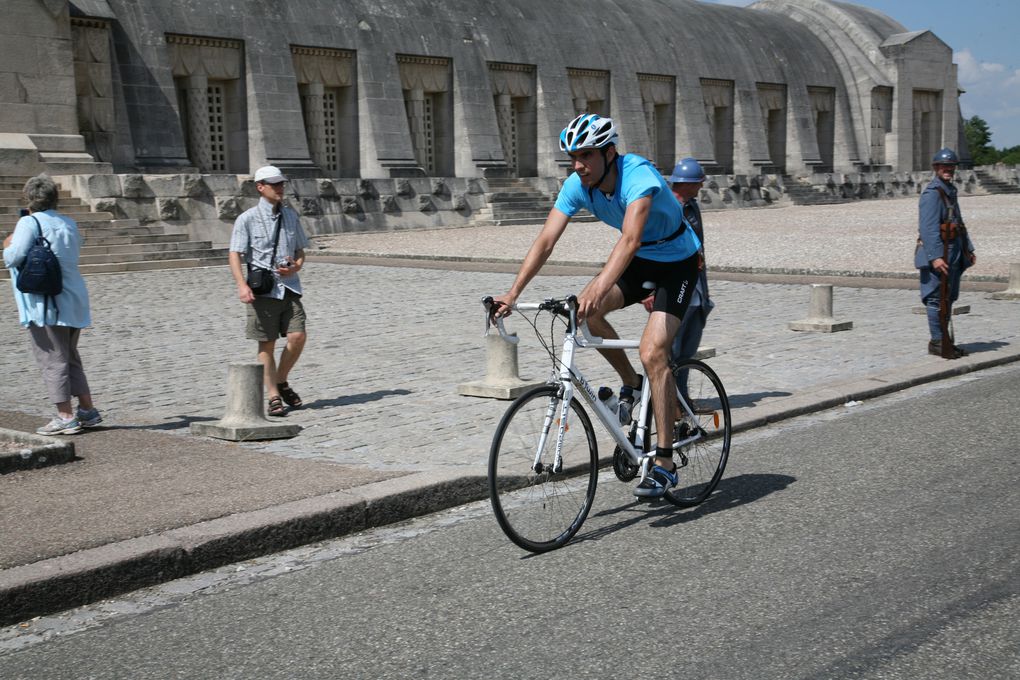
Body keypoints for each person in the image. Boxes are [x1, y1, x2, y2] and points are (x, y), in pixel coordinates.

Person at [492, 114, 702, 498]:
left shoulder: (638, 175)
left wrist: (599, 285)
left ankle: (666, 463)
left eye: (586, 155)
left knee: (653, 350)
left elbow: (631, 239)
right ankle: (632, 385)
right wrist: (514, 292)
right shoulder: (578, 185)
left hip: (678, 263)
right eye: (573, 157)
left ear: (609, 152)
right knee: (586, 312)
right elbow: (545, 241)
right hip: (641, 261)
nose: (577, 164)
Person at [2, 174, 102, 435]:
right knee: (70, 357)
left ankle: (65, 416)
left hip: (47, 301)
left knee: (51, 359)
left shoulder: (29, 221)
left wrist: (6, 245)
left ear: (29, 199)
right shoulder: (68, 222)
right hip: (73, 296)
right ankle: (88, 410)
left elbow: (14, 257)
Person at [228, 165, 309, 416]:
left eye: (281, 184)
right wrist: (242, 285)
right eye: (274, 184)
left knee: (298, 336)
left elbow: (300, 251)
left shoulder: (291, 216)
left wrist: (296, 267)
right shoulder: (247, 219)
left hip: (289, 287)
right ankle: (273, 394)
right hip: (263, 289)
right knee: (267, 344)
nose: (280, 188)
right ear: (260, 187)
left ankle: (281, 379)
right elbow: (234, 253)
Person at [645, 158, 713, 365]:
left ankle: (682, 396)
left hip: (697, 291)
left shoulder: (693, 207)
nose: (701, 186)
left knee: (687, 353)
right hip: (671, 290)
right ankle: (664, 397)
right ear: (687, 184)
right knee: (666, 352)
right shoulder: (662, 210)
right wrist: (648, 290)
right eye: (698, 182)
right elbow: (648, 248)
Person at [915, 148, 976, 359]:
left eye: (951, 166)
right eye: (943, 166)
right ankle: (938, 342)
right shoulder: (933, 193)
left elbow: (959, 223)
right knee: (935, 299)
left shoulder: (949, 190)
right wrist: (935, 257)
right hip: (940, 253)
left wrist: (968, 248)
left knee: (948, 298)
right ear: (935, 168)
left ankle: (945, 340)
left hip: (954, 251)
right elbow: (928, 228)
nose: (948, 169)